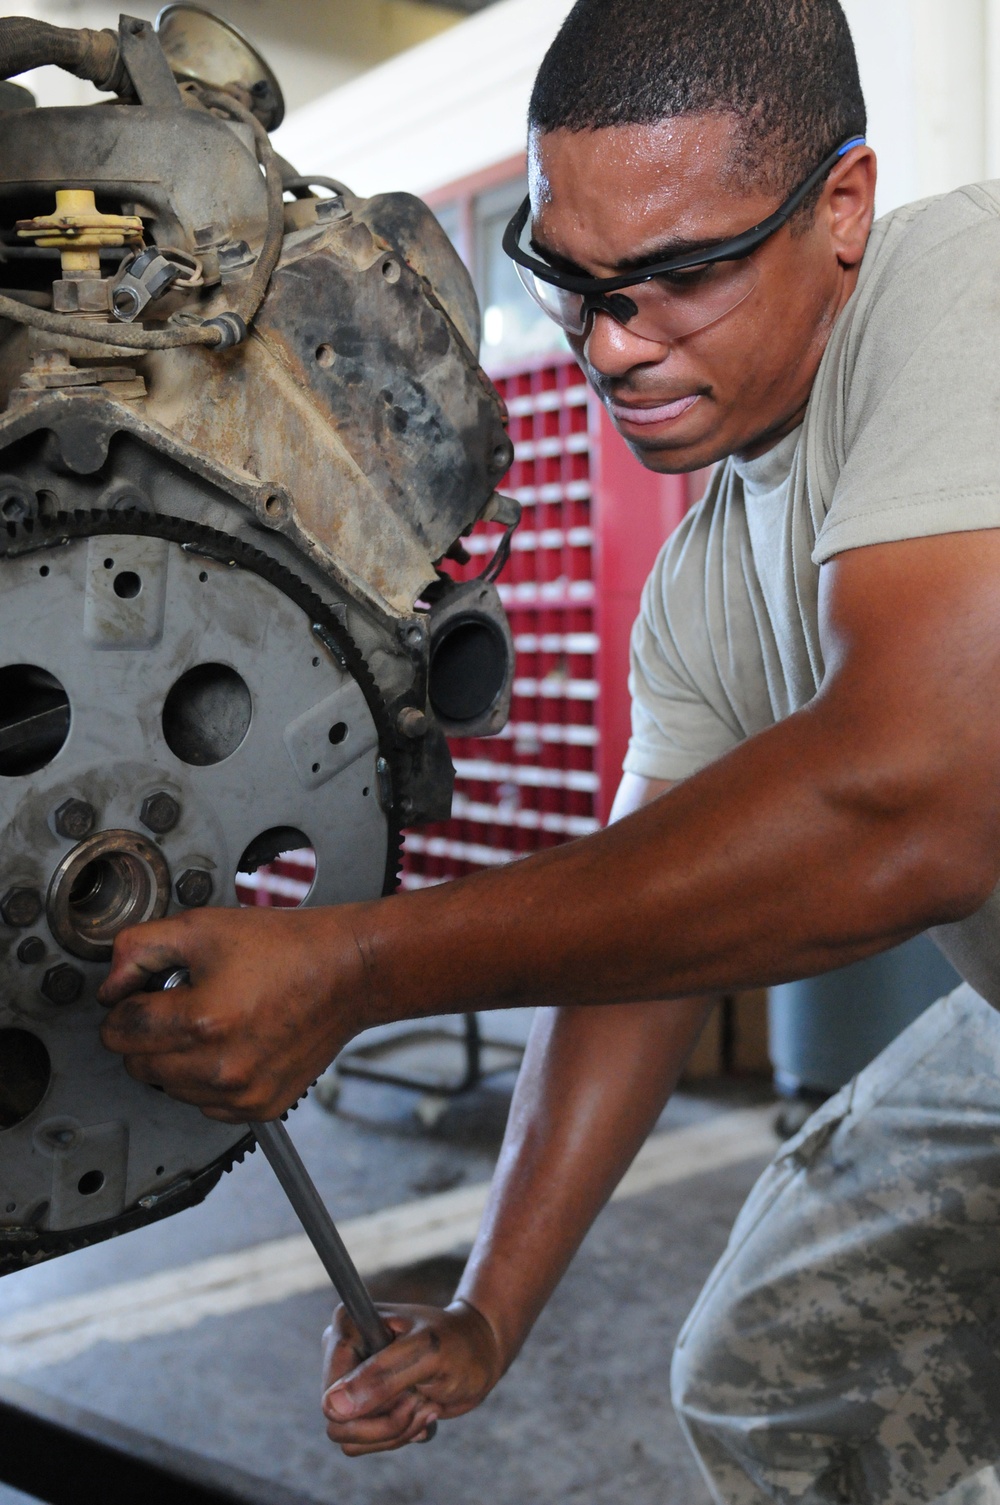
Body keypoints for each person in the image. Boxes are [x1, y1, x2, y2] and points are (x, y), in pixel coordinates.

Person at [99, 0, 1000, 1498]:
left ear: (841, 206)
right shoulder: (709, 584)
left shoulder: (965, 289)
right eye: (571, 282)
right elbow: (637, 944)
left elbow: (916, 800)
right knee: (779, 1373)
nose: (608, 344)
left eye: (675, 279)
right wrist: (489, 1304)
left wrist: (360, 964)